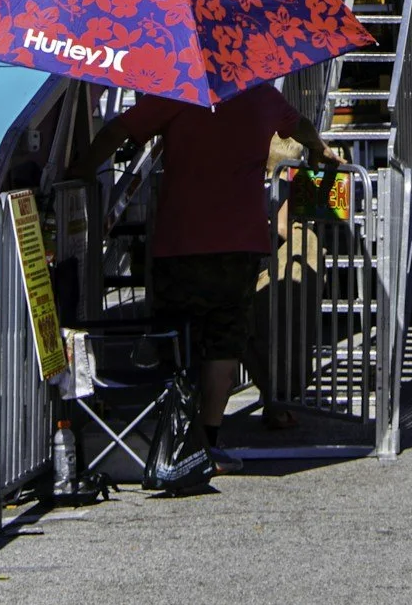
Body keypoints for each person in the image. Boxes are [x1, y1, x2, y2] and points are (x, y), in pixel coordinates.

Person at [75, 83, 341, 475]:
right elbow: (299, 125)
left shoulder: (177, 91)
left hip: (180, 240)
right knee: (224, 343)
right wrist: (319, 148)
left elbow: (117, 132)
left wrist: (77, 172)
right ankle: (208, 444)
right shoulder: (261, 95)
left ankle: (170, 439)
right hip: (239, 244)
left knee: (176, 339)